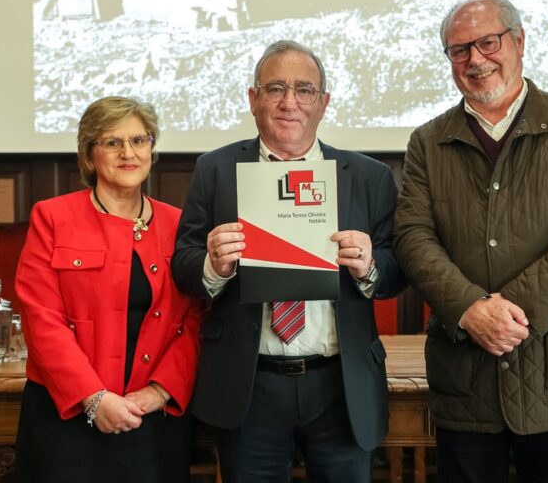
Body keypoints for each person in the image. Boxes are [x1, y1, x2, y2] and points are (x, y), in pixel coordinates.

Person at [394, 0, 548, 483]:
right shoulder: (426, 141)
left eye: (488, 42)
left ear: (518, 42)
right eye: (460, 50)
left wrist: (511, 308)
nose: (476, 59)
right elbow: (413, 239)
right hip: (465, 377)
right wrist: (471, 309)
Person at [172, 39, 405, 483]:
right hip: (249, 383)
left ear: (324, 103)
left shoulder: (370, 177)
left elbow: (398, 271)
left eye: (304, 90)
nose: (289, 102)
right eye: (275, 88)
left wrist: (369, 267)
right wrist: (213, 266)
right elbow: (183, 264)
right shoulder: (215, 170)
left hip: (340, 384)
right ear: (253, 100)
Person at [14, 96, 203, 482]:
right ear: (88, 156)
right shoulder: (52, 217)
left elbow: (197, 319)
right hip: (66, 418)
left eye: (139, 140)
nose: (128, 152)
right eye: (112, 142)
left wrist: (159, 392)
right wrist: (93, 398)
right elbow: (41, 319)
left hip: (152, 421)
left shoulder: (179, 224)